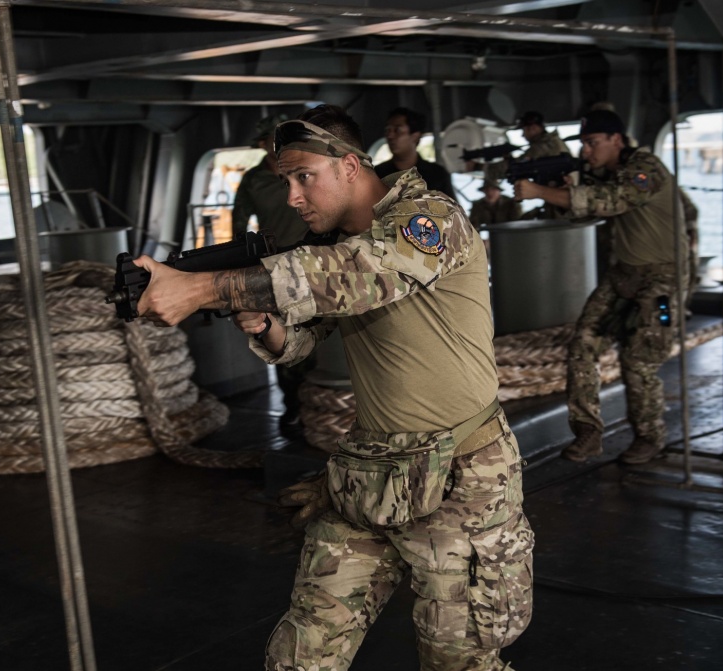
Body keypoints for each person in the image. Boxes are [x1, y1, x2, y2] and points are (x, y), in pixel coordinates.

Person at [132, 104, 533, 671]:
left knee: (460, 659)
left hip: (460, 478)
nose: (294, 196)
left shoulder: (428, 220)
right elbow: (302, 340)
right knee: (303, 652)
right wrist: (265, 324)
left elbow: (356, 277)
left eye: (304, 177)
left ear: (349, 166)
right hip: (370, 473)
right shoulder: (330, 246)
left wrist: (202, 289)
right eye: (285, 182)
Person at [514, 109, 687, 465]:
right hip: (623, 274)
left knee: (639, 358)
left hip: (662, 278)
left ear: (617, 141)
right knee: (582, 346)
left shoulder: (645, 169)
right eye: (584, 144)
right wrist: (563, 193)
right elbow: (585, 213)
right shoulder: (605, 175)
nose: (587, 152)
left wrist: (538, 191)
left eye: (593, 143)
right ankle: (588, 434)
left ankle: (649, 437)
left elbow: (613, 201)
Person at [231, 114, 313, 431]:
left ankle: (316, 405)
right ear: (263, 144)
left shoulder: (304, 174)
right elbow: (239, 226)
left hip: (314, 262)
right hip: (276, 269)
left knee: (317, 334)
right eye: (271, 141)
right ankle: (292, 407)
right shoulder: (253, 181)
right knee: (278, 336)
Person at [232, 114, 310, 248]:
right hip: (274, 255)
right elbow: (239, 223)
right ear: (263, 144)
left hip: (312, 251)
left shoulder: (307, 170)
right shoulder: (252, 179)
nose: (285, 143)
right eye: (277, 138)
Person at [373, 106, 457, 201]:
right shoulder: (378, 175)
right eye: (388, 130)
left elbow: (452, 211)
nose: (390, 135)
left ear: (415, 136)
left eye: (397, 130)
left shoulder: (437, 175)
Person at [482, 110, 571, 183]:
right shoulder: (552, 142)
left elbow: (516, 167)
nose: (523, 135)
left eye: (524, 130)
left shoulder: (542, 147)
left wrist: (482, 168)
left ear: (533, 128)